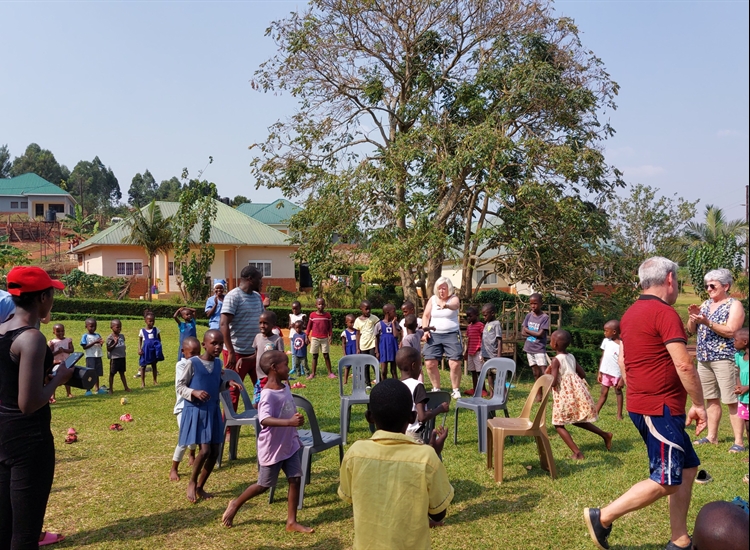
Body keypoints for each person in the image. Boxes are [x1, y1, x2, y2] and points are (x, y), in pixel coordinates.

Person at [584, 256, 707, 550]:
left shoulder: (631, 313)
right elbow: (685, 365)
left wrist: (637, 393)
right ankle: (602, 517)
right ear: (669, 279)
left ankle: (679, 539)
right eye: (677, 280)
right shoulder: (664, 313)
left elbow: (625, 359)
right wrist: (699, 404)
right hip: (659, 408)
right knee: (666, 480)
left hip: (647, 405)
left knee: (687, 468)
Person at [0, 266, 73, 549]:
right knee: (26, 533)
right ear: (42, 297)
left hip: (4, 434)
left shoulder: (3, 329)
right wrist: (58, 379)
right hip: (29, 441)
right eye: (52, 293)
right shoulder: (32, 337)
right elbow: (28, 403)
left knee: (5, 525)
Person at [338, 378, 453, 550]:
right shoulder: (427, 458)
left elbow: (351, 497)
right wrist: (434, 453)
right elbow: (437, 514)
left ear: (369, 417)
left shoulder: (355, 453)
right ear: (413, 416)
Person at [221, 350, 314, 534]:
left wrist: (295, 419)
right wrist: (289, 422)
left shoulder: (285, 385)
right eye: (285, 365)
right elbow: (264, 419)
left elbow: (288, 408)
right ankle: (235, 503)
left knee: (294, 479)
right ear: (274, 368)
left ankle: (291, 522)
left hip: (289, 443)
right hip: (272, 447)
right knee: (263, 485)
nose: (288, 368)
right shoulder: (267, 395)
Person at [687, 268, 746, 451]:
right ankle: (711, 436)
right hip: (704, 358)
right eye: (707, 286)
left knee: (731, 399)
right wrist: (693, 318)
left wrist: (707, 322)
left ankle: (738, 442)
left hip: (724, 358)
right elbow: (690, 330)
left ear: (726, 286)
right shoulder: (705, 304)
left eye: (713, 285)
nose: (709, 289)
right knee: (711, 398)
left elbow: (731, 331)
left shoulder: (734, 305)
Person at [176, 329, 232, 503]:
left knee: (215, 452)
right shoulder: (192, 363)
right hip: (197, 412)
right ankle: (192, 482)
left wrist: (227, 384)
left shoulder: (218, 364)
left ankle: (201, 486)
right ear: (204, 344)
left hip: (213, 410)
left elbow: (216, 385)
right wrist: (194, 392)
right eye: (214, 343)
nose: (217, 347)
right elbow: (180, 386)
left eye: (220, 344)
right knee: (205, 450)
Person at [547, 329, 612, 460]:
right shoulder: (571, 356)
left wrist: (547, 372)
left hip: (564, 396)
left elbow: (553, 383)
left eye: (551, 340)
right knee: (576, 420)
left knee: (559, 424)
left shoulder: (556, 360)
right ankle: (605, 434)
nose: (550, 342)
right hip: (576, 394)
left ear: (556, 344)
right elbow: (582, 374)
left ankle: (577, 453)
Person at [221, 266, 264, 410]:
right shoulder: (233, 296)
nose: (261, 282)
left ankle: (264, 422)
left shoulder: (257, 297)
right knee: (233, 390)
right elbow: (223, 324)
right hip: (236, 352)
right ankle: (228, 429)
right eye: (259, 279)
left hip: (255, 353)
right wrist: (231, 352)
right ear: (250, 279)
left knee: (263, 388)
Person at [422, 277, 463, 399]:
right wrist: (425, 330)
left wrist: (447, 306)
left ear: (449, 288)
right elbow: (425, 316)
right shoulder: (433, 300)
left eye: (443, 288)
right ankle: (436, 388)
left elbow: (455, 305)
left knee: (455, 363)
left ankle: (455, 389)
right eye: (439, 289)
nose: (441, 291)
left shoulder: (453, 298)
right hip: (434, 334)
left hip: (451, 334)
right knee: (429, 363)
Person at [397, 347, 449, 437]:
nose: (421, 369)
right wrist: (440, 409)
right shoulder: (417, 385)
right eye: (420, 365)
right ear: (413, 366)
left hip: (400, 433)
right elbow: (422, 417)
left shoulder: (397, 385)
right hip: (413, 434)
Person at [169, 336, 200, 482]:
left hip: (196, 405)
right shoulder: (181, 365)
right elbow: (184, 385)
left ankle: (192, 453)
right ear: (183, 352)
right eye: (192, 353)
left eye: (198, 353)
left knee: (195, 436)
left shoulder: (199, 363)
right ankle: (174, 468)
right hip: (183, 407)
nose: (195, 357)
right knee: (185, 438)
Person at [252, 311, 285, 404]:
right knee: (256, 403)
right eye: (260, 323)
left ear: (273, 324)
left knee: (270, 401)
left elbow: (282, 360)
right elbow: (256, 355)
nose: (262, 325)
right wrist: (243, 359)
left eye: (265, 323)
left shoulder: (277, 339)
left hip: (271, 378)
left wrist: (285, 378)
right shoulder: (257, 337)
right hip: (260, 378)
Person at [595, 320, 624, 420]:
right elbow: (603, 356)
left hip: (616, 373)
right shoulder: (606, 341)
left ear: (614, 332)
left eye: (606, 331)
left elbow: (625, 361)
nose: (604, 333)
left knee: (618, 392)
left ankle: (619, 414)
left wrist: (622, 378)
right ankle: (596, 412)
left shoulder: (622, 344)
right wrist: (600, 372)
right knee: (603, 392)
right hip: (606, 372)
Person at [522, 293, 550, 385]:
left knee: (544, 372)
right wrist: (533, 333)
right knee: (535, 373)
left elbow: (541, 334)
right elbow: (523, 332)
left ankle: (549, 391)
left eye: (535, 303)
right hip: (529, 348)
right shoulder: (528, 316)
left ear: (541, 304)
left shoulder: (544, 317)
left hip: (539, 349)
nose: (533, 306)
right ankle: (538, 394)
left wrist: (527, 330)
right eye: (531, 304)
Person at [306, 297, 335, 379]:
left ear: (325, 305)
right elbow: (309, 326)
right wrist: (306, 335)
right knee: (315, 356)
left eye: (322, 304)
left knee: (326, 355)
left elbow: (330, 327)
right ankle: (313, 373)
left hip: (324, 338)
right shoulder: (312, 315)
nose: (321, 306)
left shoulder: (327, 315)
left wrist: (331, 335)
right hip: (315, 338)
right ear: (316, 305)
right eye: (319, 304)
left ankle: (330, 373)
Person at [734, 327, 749, 480]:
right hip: (744, 399)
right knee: (747, 426)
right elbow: (738, 372)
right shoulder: (738, 356)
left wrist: (747, 387)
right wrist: (739, 386)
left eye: (735, 340)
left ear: (745, 342)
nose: (733, 342)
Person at [354, 300, 380, 387]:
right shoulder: (358, 320)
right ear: (361, 309)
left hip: (372, 343)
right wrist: (357, 347)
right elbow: (358, 334)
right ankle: (368, 383)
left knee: (374, 362)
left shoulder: (374, 318)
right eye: (366, 309)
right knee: (365, 365)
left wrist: (377, 348)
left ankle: (379, 380)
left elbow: (379, 328)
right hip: (363, 345)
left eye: (369, 309)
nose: (368, 311)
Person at [480, 303, 503, 398]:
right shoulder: (487, 323)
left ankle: (502, 394)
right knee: (489, 374)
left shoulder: (496, 324)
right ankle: (492, 393)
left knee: (498, 376)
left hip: (494, 355)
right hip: (486, 356)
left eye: (485, 315)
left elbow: (499, 340)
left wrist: (499, 356)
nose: (483, 317)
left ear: (492, 313)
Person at [81, 317, 106, 395]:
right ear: (86, 327)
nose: (93, 328)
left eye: (95, 326)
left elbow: (99, 345)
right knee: (90, 373)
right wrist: (95, 342)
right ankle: (88, 390)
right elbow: (85, 347)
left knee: (96, 373)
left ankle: (97, 388)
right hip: (90, 356)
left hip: (97, 356)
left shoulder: (97, 335)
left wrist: (101, 343)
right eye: (91, 326)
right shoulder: (85, 336)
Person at [374, 304, 401, 379]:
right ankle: (384, 386)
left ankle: (395, 385)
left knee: (393, 370)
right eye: (394, 311)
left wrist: (393, 323)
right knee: (384, 371)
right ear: (388, 313)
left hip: (393, 348)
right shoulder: (379, 324)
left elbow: (395, 335)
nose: (395, 313)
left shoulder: (395, 323)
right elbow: (376, 338)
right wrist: (377, 351)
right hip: (384, 349)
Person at [48, 323, 74, 400]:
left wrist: (64, 350)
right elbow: (50, 354)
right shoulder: (53, 342)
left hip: (66, 361)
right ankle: (53, 395)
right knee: (54, 379)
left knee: (67, 378)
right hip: (56, 363)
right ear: (54, 332)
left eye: (62, 331)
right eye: (58, 331)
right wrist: (57, 352)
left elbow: (72, 350)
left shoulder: (68, 340)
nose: (60, 333)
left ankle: (69, 393)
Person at [138, 310, 163, 388]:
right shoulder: (142, 331)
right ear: (145, 321)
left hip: (153, 350)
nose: (151, 323)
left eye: (153, 321)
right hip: (145, 350)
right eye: (150, 321)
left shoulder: (156, 330)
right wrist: (139, 349)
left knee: (154, 365)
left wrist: (158, 347)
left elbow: (159, 339)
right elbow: (140, 341)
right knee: (143, 366)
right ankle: (143, 383)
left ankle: (155, 381)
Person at [463, 307, 485, 396]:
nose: (468, 318)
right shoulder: (469, 327)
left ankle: (483, 389)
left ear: (476, 315)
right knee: (473, 371)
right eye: (467, 316)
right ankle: (475, 388)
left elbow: (484, 338)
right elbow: (469, 340)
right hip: (470, 352)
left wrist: (483, 351)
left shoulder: (480, 325)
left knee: (480, 371)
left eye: (470, 316)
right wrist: (466, 352)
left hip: (478, 351)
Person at [106, 319, 130, 394]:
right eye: (117, 327)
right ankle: (111, 389)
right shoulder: (110, 337)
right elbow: (109, 349)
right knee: (112, 374)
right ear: (112, 327)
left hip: (122, 357)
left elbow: (122, 343)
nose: (119, 329)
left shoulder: (122, 336)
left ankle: (126, 387)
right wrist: (115, 343)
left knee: (122, 373)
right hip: (114, 358)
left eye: (120, 327)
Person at [340, 314, 358, 384]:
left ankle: (357, 379)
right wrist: (344, 353)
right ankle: (345, 380)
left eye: (354, 322)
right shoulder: (345, 333)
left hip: (355, 350)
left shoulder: (357, 331)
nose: (353, 324)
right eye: (351, 322)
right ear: (346, 323)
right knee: (347, 366)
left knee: (356, 365)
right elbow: (343, 343)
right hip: (349, 351)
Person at [289, 320, 308, 384]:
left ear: (302, 327)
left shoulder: (304, 334)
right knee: (297, 365)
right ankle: (298, 374)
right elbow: (294, 343)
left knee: (305, 365)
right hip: (296, 353)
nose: (297, 329)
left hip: (303, 353)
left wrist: (306, 341)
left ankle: (307, 374)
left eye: (299, 327)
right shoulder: (294, 335)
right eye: (296, 328)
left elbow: (307, 342)